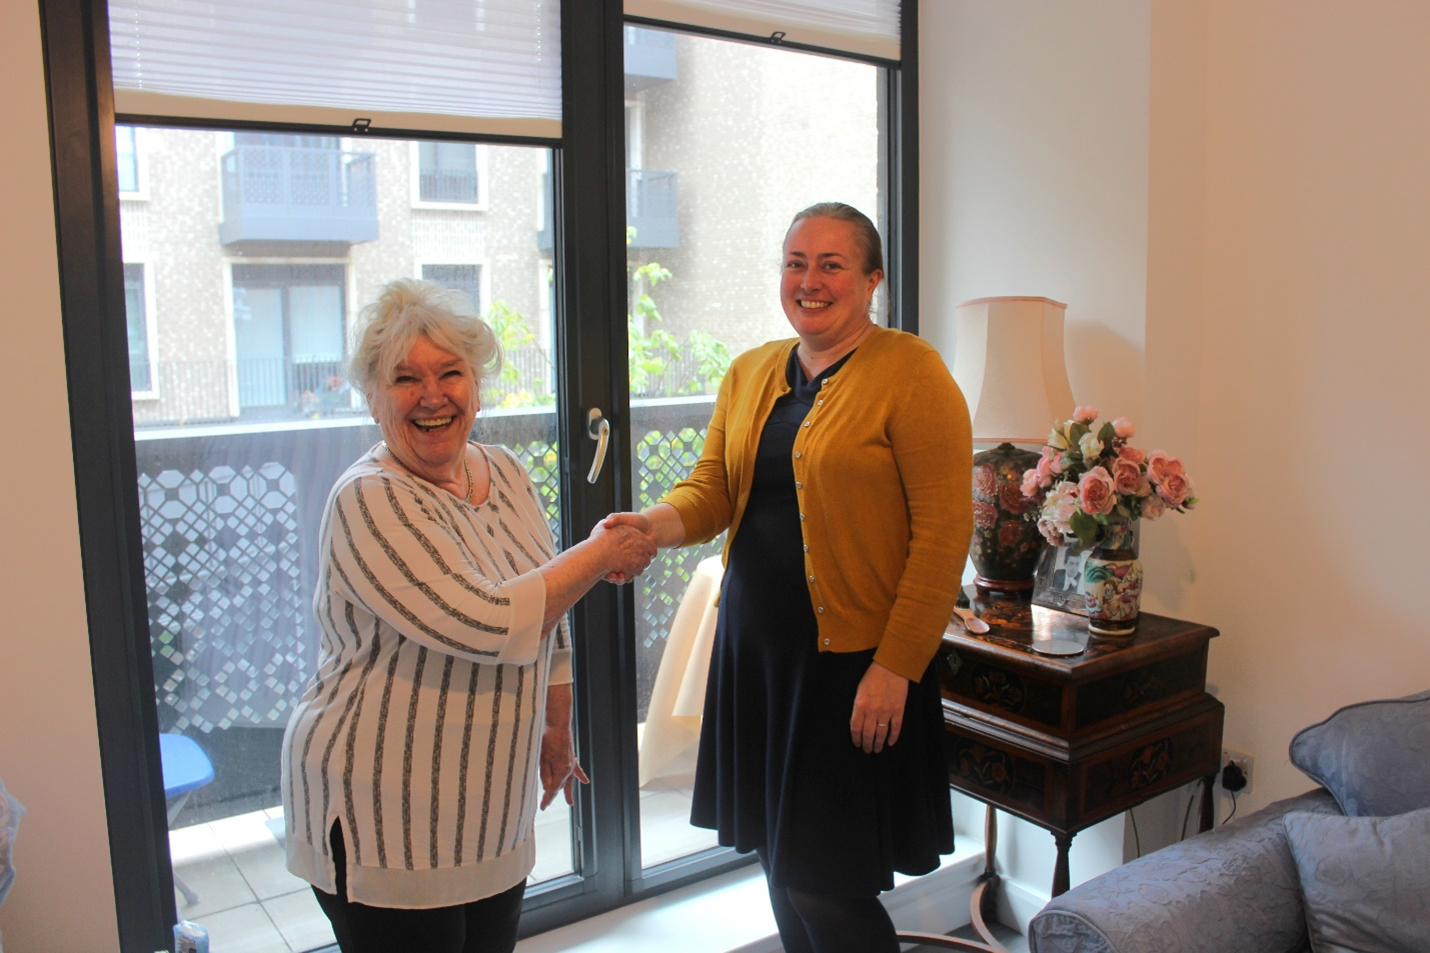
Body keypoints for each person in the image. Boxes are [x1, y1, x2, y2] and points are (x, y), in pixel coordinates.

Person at [606, 203, 973, 953]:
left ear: (872, 280)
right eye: (795, 262)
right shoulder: (749, 373)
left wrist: (896, 665)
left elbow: (943, 533)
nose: (809, 280)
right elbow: (712, 489)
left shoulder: (911, 371)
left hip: (850, 669)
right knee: (780, 860)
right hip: (759, 662)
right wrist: (652, 525)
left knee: (824, 880)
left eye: (831, 264)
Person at [280, 278, 655, 953]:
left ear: (476, 385)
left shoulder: (506, 470)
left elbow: (551, 613)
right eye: (404, 378)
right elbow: (490, 621)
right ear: (371, 396)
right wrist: (603, 551)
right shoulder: (369, 499)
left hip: (487, 798)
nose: (432, 395)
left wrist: (557, 723)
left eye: (451, 372)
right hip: (382, 809)